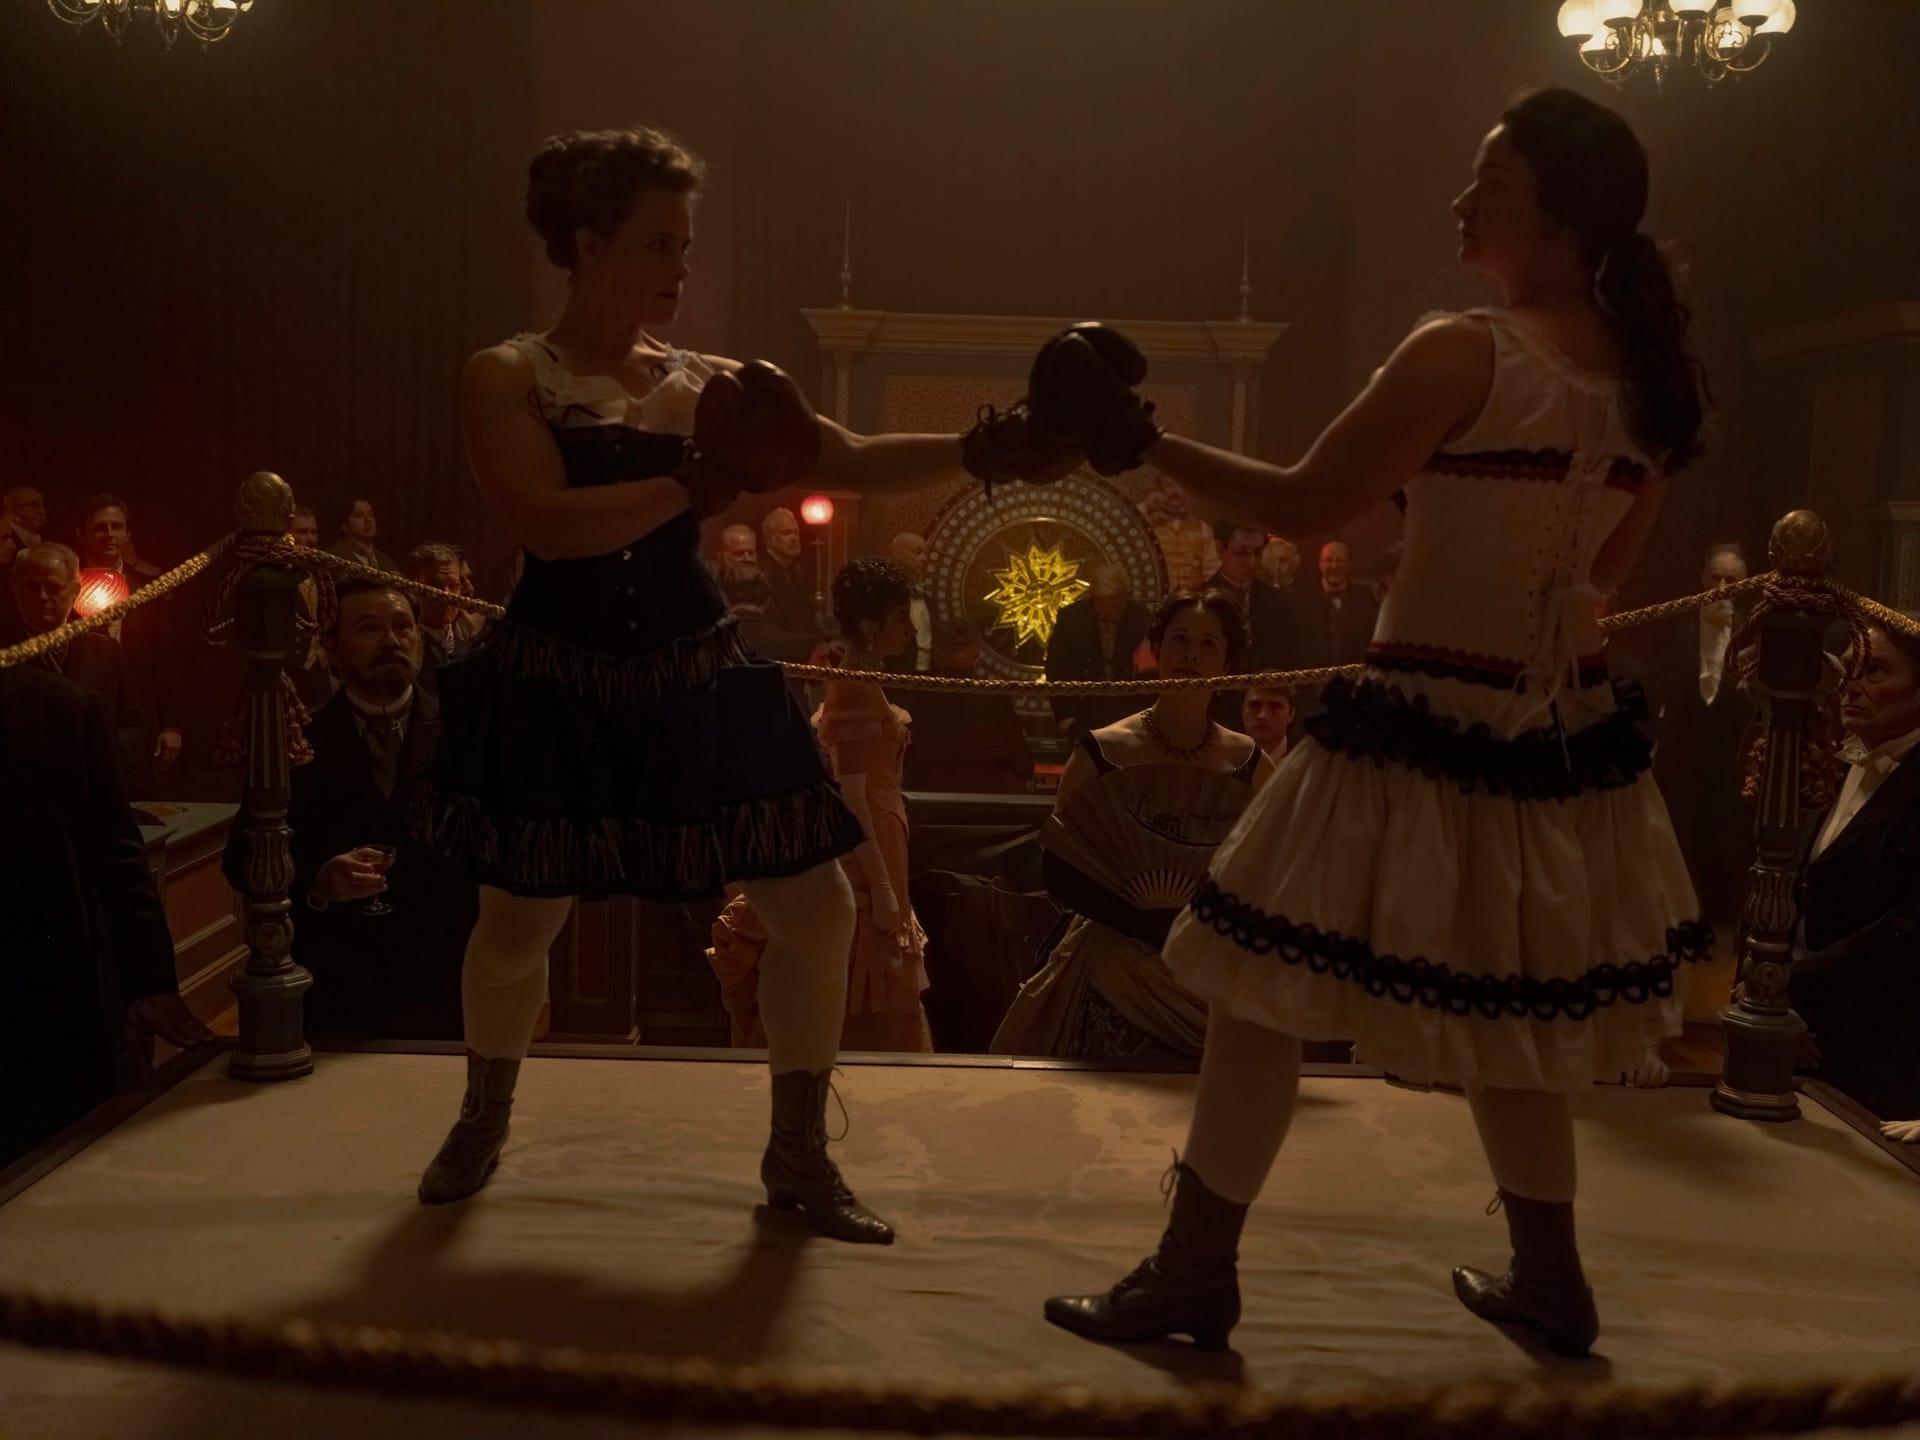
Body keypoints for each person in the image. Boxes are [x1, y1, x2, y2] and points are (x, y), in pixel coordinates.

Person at [1026, 88, 1708, 1357]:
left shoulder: (1467, 350)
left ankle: (1193, 1277)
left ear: (1557, 213)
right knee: (1520, 1025)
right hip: (1552, 750)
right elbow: (1601, 583)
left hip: (1411, 729)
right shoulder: (1644, 382)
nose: (1462, 200)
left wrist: (1139, 442)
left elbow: (1298, 509)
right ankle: (1553, 1287)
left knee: (1255, 993)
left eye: (1488, 179)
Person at [413, 124, 1071, 1238]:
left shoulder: (706, 383)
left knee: (815, 910)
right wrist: (703, 479)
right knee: (520, 919)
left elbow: (852, 458)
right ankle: (484, 1114)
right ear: (586, 243)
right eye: (658, 243)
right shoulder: (509, 373)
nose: (680, 268)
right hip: (558, 670)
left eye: (687, 243)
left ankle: (799, 1155)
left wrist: (996, 448)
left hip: (693, 669)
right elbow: (549, 525)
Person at [994, 592, 1270, 1060]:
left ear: (1228, 664)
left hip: (1210, 962)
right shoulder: (1103, 751)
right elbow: (1061, 867)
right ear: (1155, 651)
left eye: (1208, 645)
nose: (1190, 654)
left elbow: (1269, 873)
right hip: (1112, 958)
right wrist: (1142, 923)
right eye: (1179, 639)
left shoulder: (1250, 764)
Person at [223, 580, 473, 1040]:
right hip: (340, 985)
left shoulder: (468, 733)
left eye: (403, 627)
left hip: (446, 980)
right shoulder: (298, 741)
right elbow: (242, 859)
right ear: (331, 648)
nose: (392, 641)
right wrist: (317, 882)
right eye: (370, 628)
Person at [707, 559, 935, 1054]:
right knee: (866, 958)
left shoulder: (863, 675)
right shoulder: (851, 682)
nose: (910, 627)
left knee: (881, 956)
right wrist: (882, 890)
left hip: (883, 829)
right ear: (873, 625)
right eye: (901, 617)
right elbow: (852, 796)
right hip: (864, 839)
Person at [1, 663, 213, 1165]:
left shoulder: (58, 705)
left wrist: (147, 982)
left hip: (41, 979)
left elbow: (115, 850)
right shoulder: (58, 702)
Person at [1788, 621, 1920, 1133]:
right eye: (1847, 669)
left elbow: (1907, 926)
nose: (1851, 684)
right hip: (1804, 1042)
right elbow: (1795, 885)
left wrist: (1792, 990)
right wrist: (1764, 994)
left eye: (1876, 670)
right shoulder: (1842, 759)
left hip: (1884, 1050)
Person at [4, 543, 148, 785]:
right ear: (15, 588)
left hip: (93, 791)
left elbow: (134, 724)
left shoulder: (104, 650)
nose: (42, 596)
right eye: (33, 586)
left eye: (53, 587)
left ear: (75, 591)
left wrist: (110, 758)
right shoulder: (4, 652)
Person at [75, 493, 182, 789]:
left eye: (116, 527)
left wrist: (170, 724)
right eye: (99, 527)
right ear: (81, 534)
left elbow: (165, 658)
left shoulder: (149, 589)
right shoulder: (62, 586)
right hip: (81, 720)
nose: (109, 534)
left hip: (138, 722)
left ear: (127, 533)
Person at [900, 620, 1035, 794]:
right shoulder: (993, 700)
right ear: (976, 653)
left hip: (927, 804)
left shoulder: (914, 694)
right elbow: (1023, 765)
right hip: (984, 807)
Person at [1045, 562, 1150, 742]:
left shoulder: (1140, 617)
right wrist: (1065, 716)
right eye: (1107, 606)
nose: (1113, 612)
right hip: (1083, 710)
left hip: (1128, 711)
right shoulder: (1071, 619)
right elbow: (1056, 669)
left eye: (1119, 606)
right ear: (1095, 597)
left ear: (1126, 597)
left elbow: (1150, 673)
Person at [759, 505, 814, 634]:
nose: (794, 538)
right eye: (786, 533)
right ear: (770, 539)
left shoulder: (797, 571)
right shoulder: (761, 573)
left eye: (796, 532)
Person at [888, 532, 934, 673]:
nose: (924, 558)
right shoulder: (885, 595)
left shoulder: (928, 600)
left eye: (925, 553)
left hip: (928, 679)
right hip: (894, 675)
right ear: (898, 554)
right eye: (917, 552)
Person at [328, 498, 398, 574]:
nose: (368, 519)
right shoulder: (332, 558)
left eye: (371, 515)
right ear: (344, 525)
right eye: (359, 515)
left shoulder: (388, 563)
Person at [1240, 684, 1293, 761]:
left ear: (1291, 714)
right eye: (1254, 705)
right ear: (1242, 711)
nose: (1262, 715)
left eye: (1275, 706)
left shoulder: (1308, 762)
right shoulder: (1221, 759)